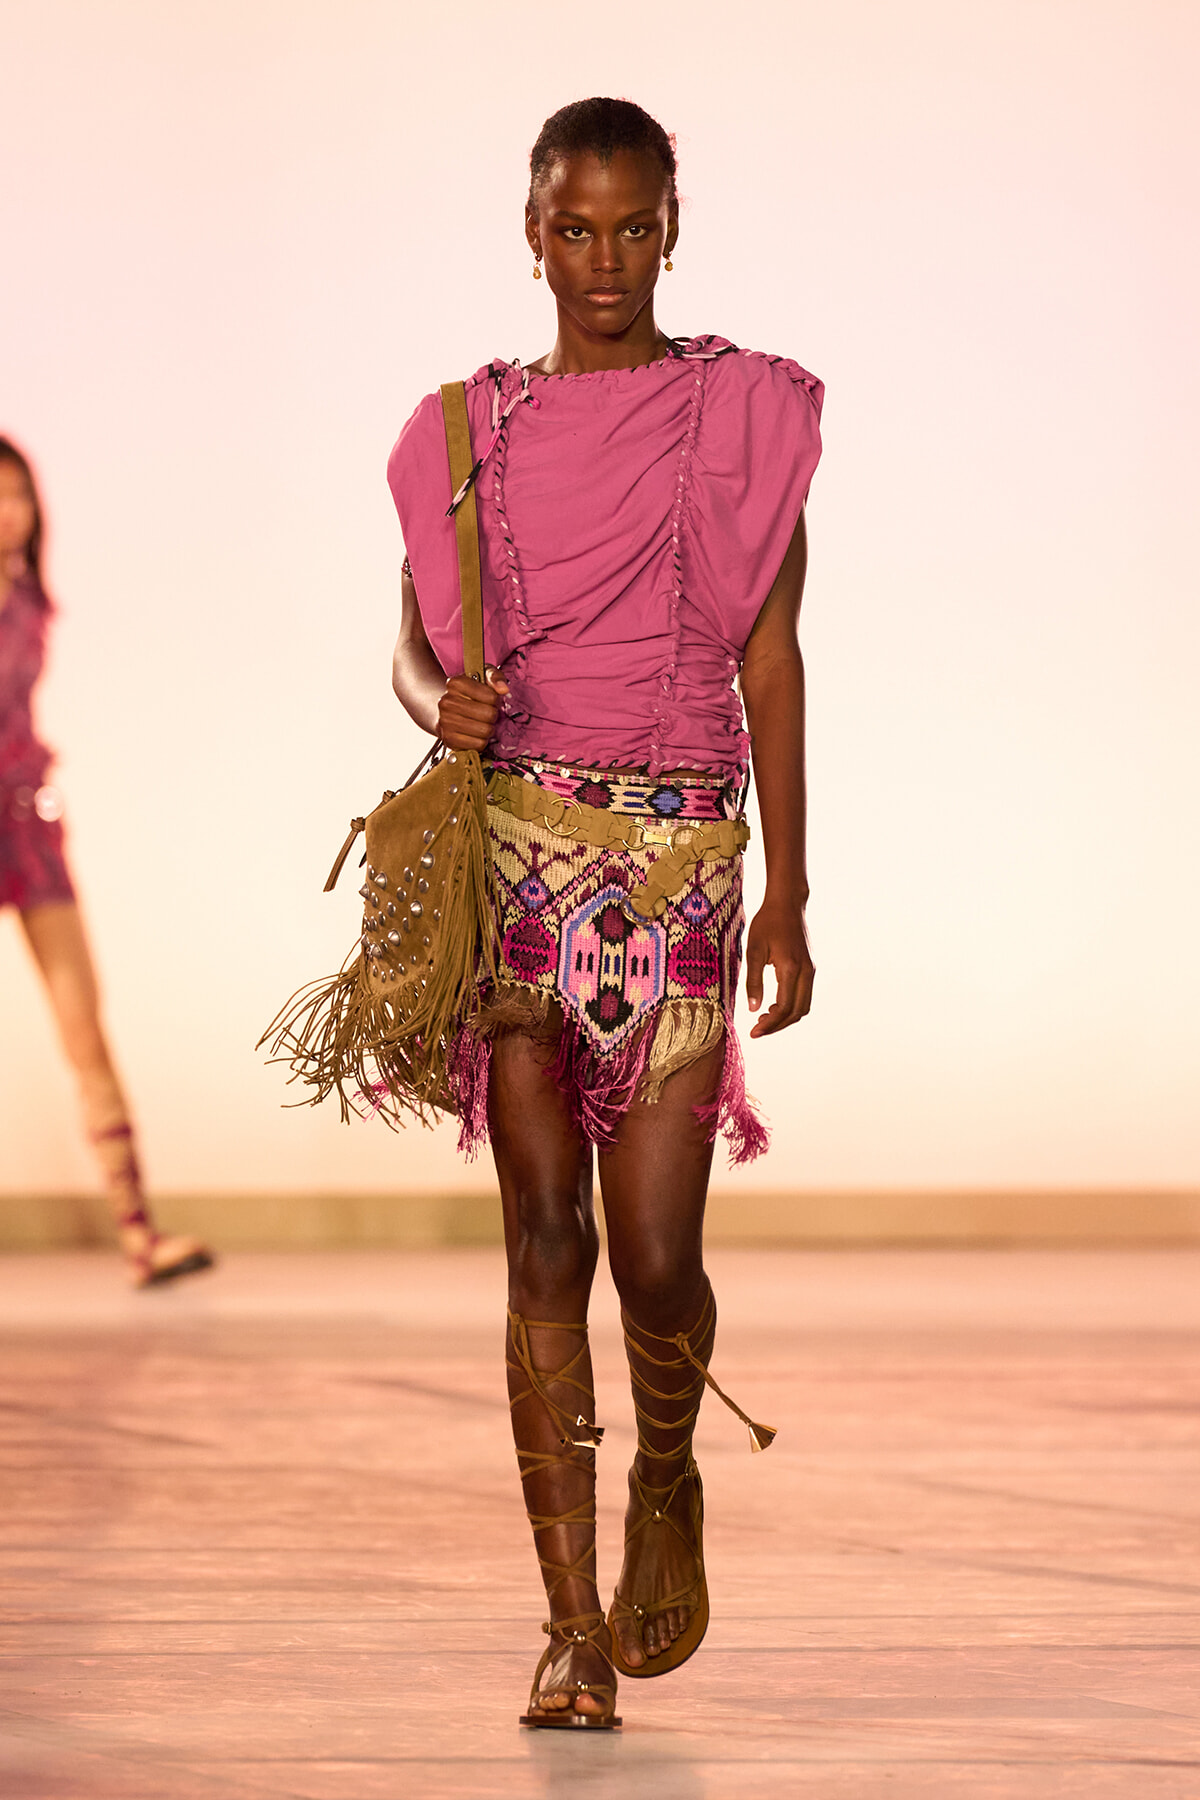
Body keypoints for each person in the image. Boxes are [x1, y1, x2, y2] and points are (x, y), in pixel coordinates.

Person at [387, 98, 822, 1729]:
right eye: (576, 228)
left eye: (634, 228)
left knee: (655, 1256)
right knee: (543, 1244)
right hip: (522, 863)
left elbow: (772, 655)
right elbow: (414, 643)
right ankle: (568, 1625)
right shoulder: (468, 432)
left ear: (673, 226)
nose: (605, 261)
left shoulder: (739, 423)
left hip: (684, 869)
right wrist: (439, 698)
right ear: (530, 230)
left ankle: (665, 1471)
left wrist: (793, 884)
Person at [0, 437, 214, 1289]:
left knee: (84, 1024)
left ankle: (138, 1233)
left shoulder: (29, 601)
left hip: (25, 822)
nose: (7, 509)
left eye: (17, 493)